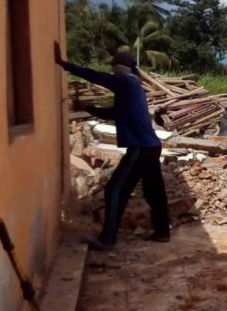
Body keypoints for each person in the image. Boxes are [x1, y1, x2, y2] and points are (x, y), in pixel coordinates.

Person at [54, 46, 171, 251]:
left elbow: (95, 76)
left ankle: (107, 239)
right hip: (152, 146)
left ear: (118, 68)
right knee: (154, 191)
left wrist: (65, 65)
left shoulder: (125, 81)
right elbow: (114, 113)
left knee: (115, 189)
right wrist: (89, 108)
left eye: (113, 69)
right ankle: (162, 232)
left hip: (140, 148)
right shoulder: (133, 86)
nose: (112, 73)